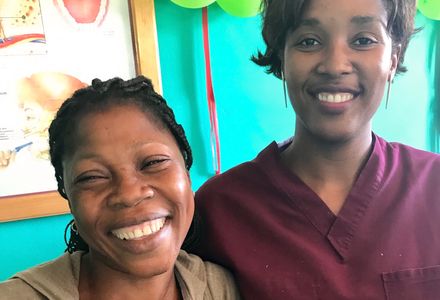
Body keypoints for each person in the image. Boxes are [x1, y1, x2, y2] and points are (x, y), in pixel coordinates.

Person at [192, 0, 440, 299]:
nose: (335, 65)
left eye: (363, 40)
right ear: (280, 58)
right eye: (309, 41)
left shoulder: (433, 185)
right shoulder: (218, 210)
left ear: (393, 58)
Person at [0, 76, 240, 299]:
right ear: (69, 199)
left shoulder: (221, 288)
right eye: (92, 177)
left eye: (153, 163)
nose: (129, 194)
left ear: (186, 174)